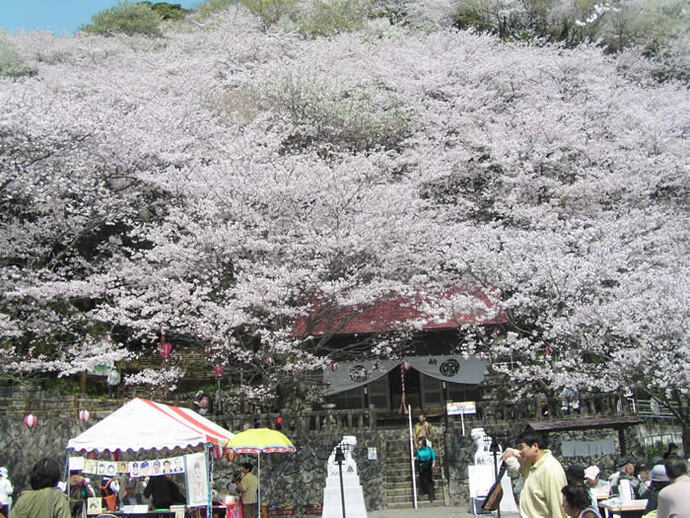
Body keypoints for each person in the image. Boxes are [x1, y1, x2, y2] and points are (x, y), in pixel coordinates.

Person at [502, 428, 568, 518]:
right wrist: (511, 452)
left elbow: (558, 507)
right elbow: (516, 453)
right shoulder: (530, 463)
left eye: (521, 447)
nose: (520, 452)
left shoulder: (550, 469)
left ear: (535, 446)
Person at [415, 436, 436, 502]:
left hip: (428, 464)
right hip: (422, 465)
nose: (419, 442)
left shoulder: (429, 449)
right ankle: (424, 489)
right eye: (418, 441)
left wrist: (433, 463)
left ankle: (431, 495)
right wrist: (415, 459)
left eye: (420, 441)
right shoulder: (419, 450)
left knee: (429, 479)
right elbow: (418, 457)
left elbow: (433, 456)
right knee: (422, 478)